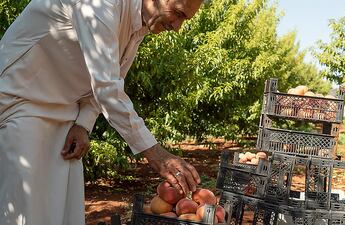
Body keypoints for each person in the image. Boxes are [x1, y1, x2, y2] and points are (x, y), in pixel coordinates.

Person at [0, 0, 203, 224]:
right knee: (28, 208)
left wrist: (84, 123)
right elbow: (107, 88)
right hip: (21, 100)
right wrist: (157, 155)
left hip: (65, 110)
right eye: (178, 13)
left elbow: (113, 77)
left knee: (64, 209)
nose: (177, 27)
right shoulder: (100, 4)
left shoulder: (140, 23)